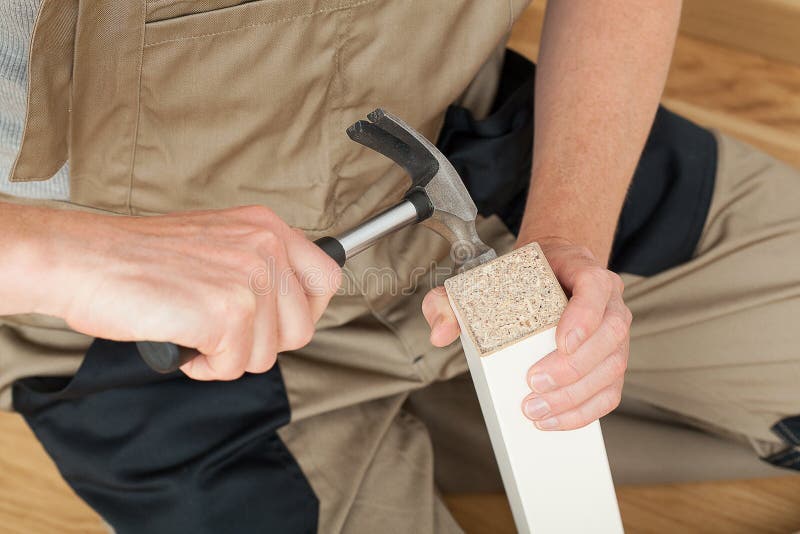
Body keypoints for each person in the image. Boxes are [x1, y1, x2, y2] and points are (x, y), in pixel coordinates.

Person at [1, 0, 798, 532]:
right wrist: (61, 255)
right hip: (165, 351)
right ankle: (407, 422)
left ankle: (446, 410)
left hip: (500, 179)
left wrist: (573, 225)